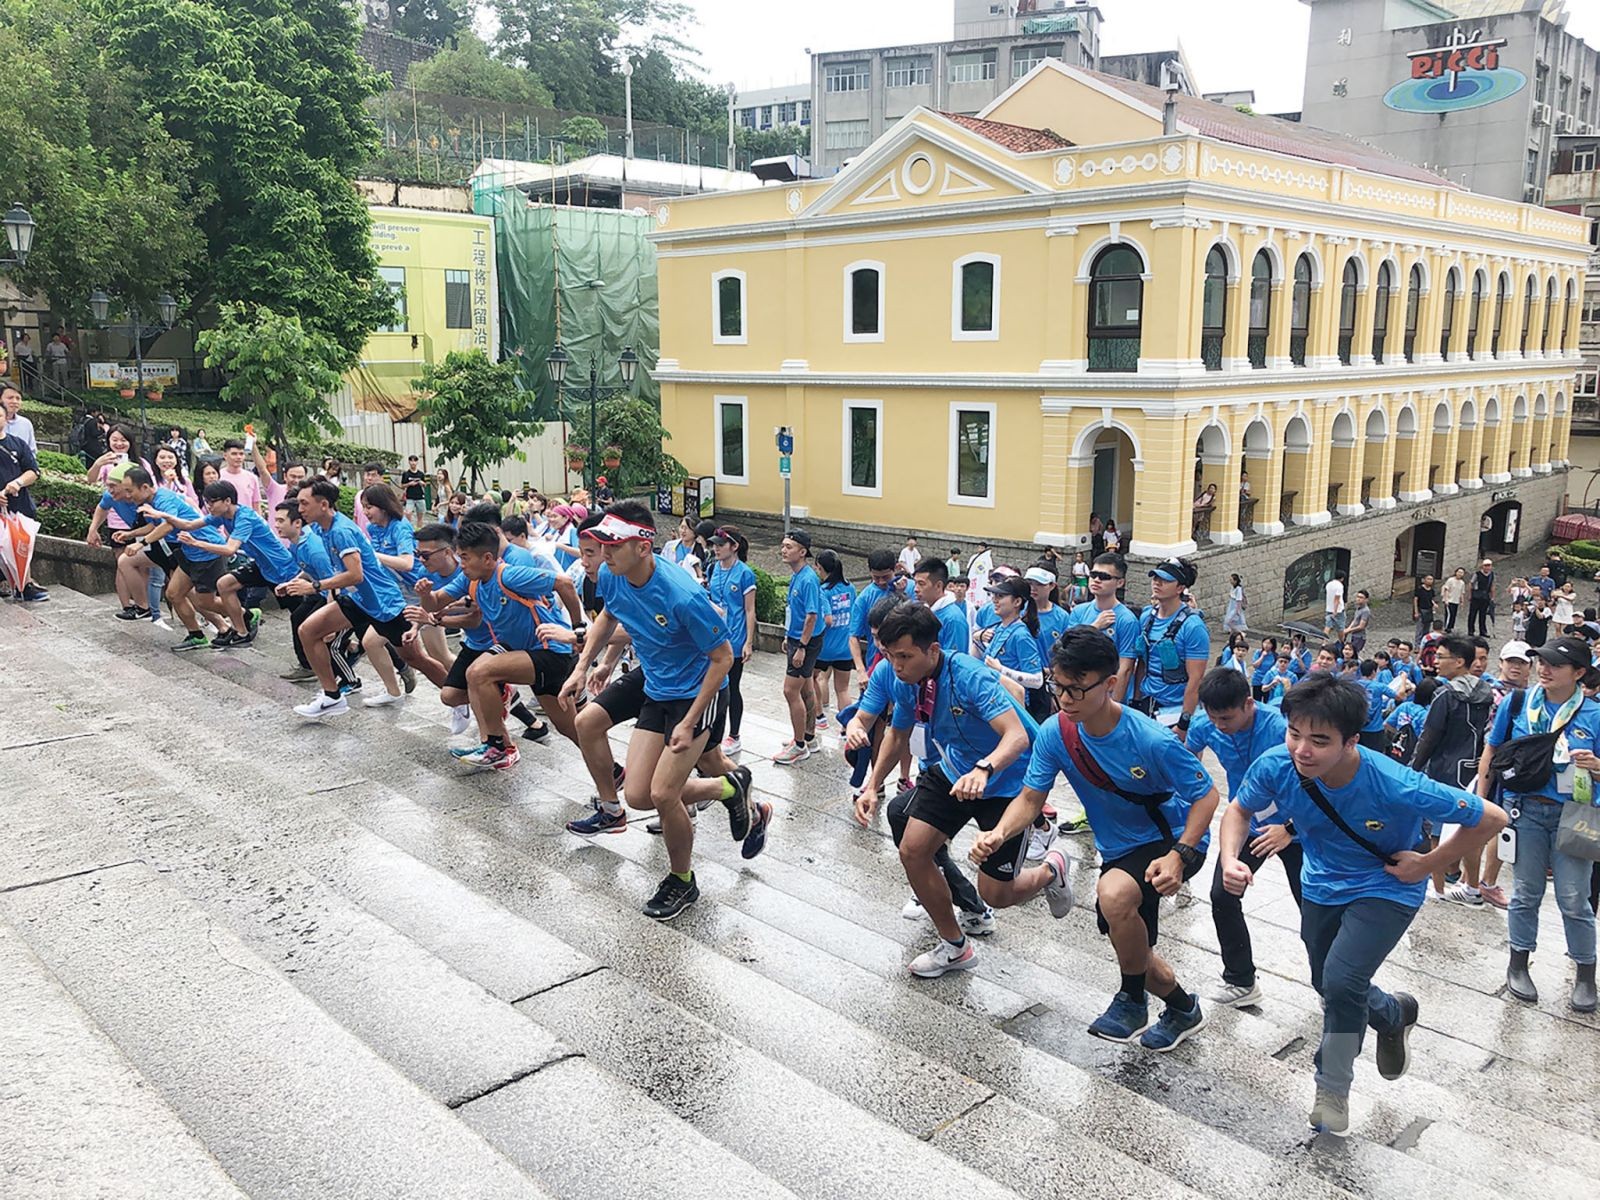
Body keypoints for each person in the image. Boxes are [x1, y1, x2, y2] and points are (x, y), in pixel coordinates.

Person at [1224, 673, 1505, 1137]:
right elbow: (1238, 810)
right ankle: (1393, 1014)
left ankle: (1331, 1088)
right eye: (1295, 734)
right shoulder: (1276, 765)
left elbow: (1491, 816)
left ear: (1351, 740)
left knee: (1341, 979)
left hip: (1387, 886)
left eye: (1319, 740)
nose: (1302, 750)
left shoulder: (1397, 783)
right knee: (1327, 981)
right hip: (1321, 885)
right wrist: (1230, 860)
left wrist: (1429, 863)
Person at [980, 627, 1216, 1047]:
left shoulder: (1151, 739)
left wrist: (1180, 855)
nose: (1065, 699)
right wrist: (999, 834)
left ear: (1109, 684)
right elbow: (1032, 798)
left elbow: (1206, 796)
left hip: (1173, 838)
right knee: (1134, 950)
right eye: (1059, 688)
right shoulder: (1056, 732)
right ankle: (1182, 1008)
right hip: (1119, 847)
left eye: (1076, 690)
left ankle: (1130, 1000)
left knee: (1112, 895)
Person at [557, 502, 769, 919]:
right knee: (638, 795)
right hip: (656, 686)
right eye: (602, 545)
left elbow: (723, 658)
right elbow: (608, 618)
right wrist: (586, 667)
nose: (604, 553)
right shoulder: (615, 576)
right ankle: (729, 787)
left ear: (643, 546)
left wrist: (691, 721)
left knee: (663, 792)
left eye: (613, 546)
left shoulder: (683, 595)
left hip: (697, 694)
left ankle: (682, 882)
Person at [846, 603, 1040, 979]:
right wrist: (872, 786)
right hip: (954, 768)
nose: (896, 665)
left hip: (1008, 778)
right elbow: (897, 732)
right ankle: (955, 946)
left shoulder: (968, 675)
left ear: (931, 650)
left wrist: (985, 768)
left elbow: (1016, 736)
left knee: (997, 894)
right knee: (913, 849)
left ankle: (1051, 871)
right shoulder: (901, 679)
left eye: (904, 656)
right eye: (889, 656)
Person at [1481, 636, 1600, 1013]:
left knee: (1573, 898)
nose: (1543, 669)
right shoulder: (1518, 702)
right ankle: (1518, 963)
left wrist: (1597, 766)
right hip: (1524, 811)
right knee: (1526, 891)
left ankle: (1585, 974)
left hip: (1577, 815)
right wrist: (1483, 801)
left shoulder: (1594, 714)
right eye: (1541, 661)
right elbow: (1494, 749)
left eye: (1554, 664)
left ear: (1579, 673)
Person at [277, 479, 448, 720]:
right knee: (308, 630)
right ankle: (332, 696)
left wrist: (313, 586)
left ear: (323, 505)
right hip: (358, 600)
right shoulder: (320, 528)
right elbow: (332, 568)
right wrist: (298, 581)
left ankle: (459, 698)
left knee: (416, 658)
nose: (301, 509)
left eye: (304, 503)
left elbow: (355, 575)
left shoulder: (341, 531)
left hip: (384, 604)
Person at [1187, 667, 1302, 1008]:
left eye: (1227, 717)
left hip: (1297, 828)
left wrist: (1290, 828)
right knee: (1223, 894)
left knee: (1314, 909)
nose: (1220, 725)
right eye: (1213, 717)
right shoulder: (1206, 725)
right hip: (1249, 823)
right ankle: (1240, 980)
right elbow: (1186, 761)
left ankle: (1332, 987)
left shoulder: (1281, 730)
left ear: (1249, 704)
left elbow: (1320, 784)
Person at [161, 480, 304, 649]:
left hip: (282, 570)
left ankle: (309, 659)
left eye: (212, 502)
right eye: (206, 502)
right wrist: (160, 514)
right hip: (261, 566)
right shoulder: (222, 516)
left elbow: (230, 549)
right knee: (225, 584)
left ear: (227, 501)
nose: (208, 506)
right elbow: (189, 524)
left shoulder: (245, 518)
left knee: (300, 617)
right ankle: (242, 633)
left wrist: (196, 543)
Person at [1411, 636, 1496, 900]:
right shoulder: (1486, 692)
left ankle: (1437, 889)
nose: (1436, 661)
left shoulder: (1445, 694)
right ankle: (1471, 886)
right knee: (1468, 830)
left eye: (1441, 656)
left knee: (1436, 832)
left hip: (1444, 769)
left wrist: (1414, 767)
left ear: (1459, 662)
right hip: (1473, 770)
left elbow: (1430, 736)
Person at [273, 499, 360, 691]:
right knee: (299, 618)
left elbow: (334, 583)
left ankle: (348, 679)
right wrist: (291, 582)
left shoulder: (315, 548)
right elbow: (308, 570)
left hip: (338, 594)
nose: (276, 525)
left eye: (281, 521)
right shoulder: (296, 543)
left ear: (297, 523)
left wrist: (330, 618)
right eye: (276, 520)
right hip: (320, 591)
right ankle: (310, 665)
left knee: (328, 638)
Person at [1135, 558, 1210, 738]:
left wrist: (1184, 723)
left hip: (1174, 709)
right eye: (1155, 578)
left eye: (1166, 580)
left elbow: (1196, 679)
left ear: (1180, 588)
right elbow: (1142, 664)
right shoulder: (1146, 617)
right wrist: (1136, 703)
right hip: (1147, 702)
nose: (1157, 583)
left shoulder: (1193, 627)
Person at [772, 530, 825, 764]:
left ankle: (799, 745)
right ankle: (808, 736)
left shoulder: (808, 579)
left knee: (790, 691)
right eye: (783, 546)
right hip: (797, 638)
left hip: (806, 641)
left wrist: (801, 646)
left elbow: (812, 616)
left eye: (789, 547)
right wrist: (788, 635)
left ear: (802, 552)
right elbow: (796, 610)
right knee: (805, 688)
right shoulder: (798, 575)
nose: (784, 550)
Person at [1064, 552, 1142, 700]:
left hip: (1105, 694)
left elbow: (1125, 668)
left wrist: (1114, 705)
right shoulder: (1079, 611)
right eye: (1094, 575)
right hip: (1077, 691)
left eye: (1104, 577)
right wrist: (1093, 627)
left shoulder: (1126, 620)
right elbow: (1066, 648)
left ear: (1120, 583)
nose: (1097, 580)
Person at [706, 527, 757, 755]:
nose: (715, 549)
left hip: (735, 639)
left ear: (734, 546)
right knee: (713, 686)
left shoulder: (745, 573)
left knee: (731, 686)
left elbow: (749, 609)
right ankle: (713, 734)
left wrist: (748, 641)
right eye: (714, 544)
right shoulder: (713, 568)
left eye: (720, 545)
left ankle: (734, 735)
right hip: (715, 636)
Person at [984, 575, 1048, 719]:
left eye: (1001, 596)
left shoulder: (1021, 635)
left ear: (1017, 601)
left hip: (1013, 707)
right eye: (994, 595)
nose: (995, 600)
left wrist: (1001, 670)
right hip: (995, 700)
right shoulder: (1000, 627)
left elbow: (1037, 680)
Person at [0, 418, 47, 601]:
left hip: (18, 505)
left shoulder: (17, 443)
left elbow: (33, 471)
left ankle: (23, 585)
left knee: (20, 544)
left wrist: (17, 483)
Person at [849, 549, 908, 691]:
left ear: (895, 569)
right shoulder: (864, 598)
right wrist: (861, 670)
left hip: (905, 663)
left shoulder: (909, 587)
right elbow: (853, 636)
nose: (881, 582)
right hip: (875, 662)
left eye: (885, 577)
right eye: (876, 578)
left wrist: (902, 592)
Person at [814, 549, 858, 725]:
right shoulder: (850, 588)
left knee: (813, 680)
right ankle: (845, 727)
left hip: (824, 647)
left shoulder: (823, 591)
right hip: (845, 647)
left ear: (822, 568)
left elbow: (826, 619)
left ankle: (819, 717)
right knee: (843, 689)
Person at [910, 557, 969, 657]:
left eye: (921, 584)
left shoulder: (953, 619)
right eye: (915, 583)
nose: (916, 589)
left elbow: (954, 660)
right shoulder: (922, 610)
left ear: (938, 586)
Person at [216, 439, 263, 515]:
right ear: (225, 455)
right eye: (234, 454)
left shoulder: (252, 478)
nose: (238, 457)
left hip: (246, 522)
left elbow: (256, 506)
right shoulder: (218, 477)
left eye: (241, 454)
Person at [2, 384, 36, 454]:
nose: (15, 402)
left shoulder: (26, 424)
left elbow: (32, 452)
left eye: (18, 398)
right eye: (10, 398)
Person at [1468, 558, 1495, 637]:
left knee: (1483, 615)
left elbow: (1492, 585)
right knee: (1472, 614)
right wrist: (1470, 595)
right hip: (1476, 596)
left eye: (1489, 566)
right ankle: (1471, 630)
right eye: (1486, 566)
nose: (1487, 567)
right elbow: (1471, 584)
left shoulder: (1491, 575)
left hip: (1485, 596)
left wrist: (1492, 597)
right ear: (1483, 566)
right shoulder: (1477, 574)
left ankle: (1483, 631)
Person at [400, 456, 427, 526]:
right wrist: (409, 484)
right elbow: (402, 486)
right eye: (411, 461)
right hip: (410, 497)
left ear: (417, 462)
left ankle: (419, 530)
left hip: (420, 497)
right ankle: (409, 529)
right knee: (408, 514)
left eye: (415, 461)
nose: (413, 463)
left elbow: (425, 484)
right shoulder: (406, 474)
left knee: (420, 517)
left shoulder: (421, 474)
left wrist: (421, 483)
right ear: (409, 462)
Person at [1345, 589, 1372, 659]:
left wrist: (1348, 630)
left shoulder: (1365, 611)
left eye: (1361, 597)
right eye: (1357, 597)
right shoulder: (1358, 608)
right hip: (1354, 635)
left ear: (1366, 600)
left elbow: (1361, 626)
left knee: (1354, 655)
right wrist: (1348, 629)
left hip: (1359, 637)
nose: (1358, 599)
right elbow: (1355, 620)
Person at [1441, 567, 1467, 631]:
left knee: (1454, 615)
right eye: (1459, 572)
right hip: (1449, 600)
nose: (1460, 574)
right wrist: (1446, 599)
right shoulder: (1450, 580)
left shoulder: (1462, 583)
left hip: (1456, 601)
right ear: (1456, 572)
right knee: (1449, 614)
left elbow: (1462, 593)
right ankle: (1446, 627)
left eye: (1462, 573)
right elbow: (1446, 589)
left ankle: (1451, 627)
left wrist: (1462, 602)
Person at [1323, 572, 1346, 641]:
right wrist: (1335, 610)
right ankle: (1341, 642)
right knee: (1341, 628)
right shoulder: (1339, 586)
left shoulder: (1329, 584)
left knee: (1327, 626)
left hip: (1328, 609)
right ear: (1342, 578)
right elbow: (1337, 599)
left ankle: (1324, 642)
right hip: (1338, 610)